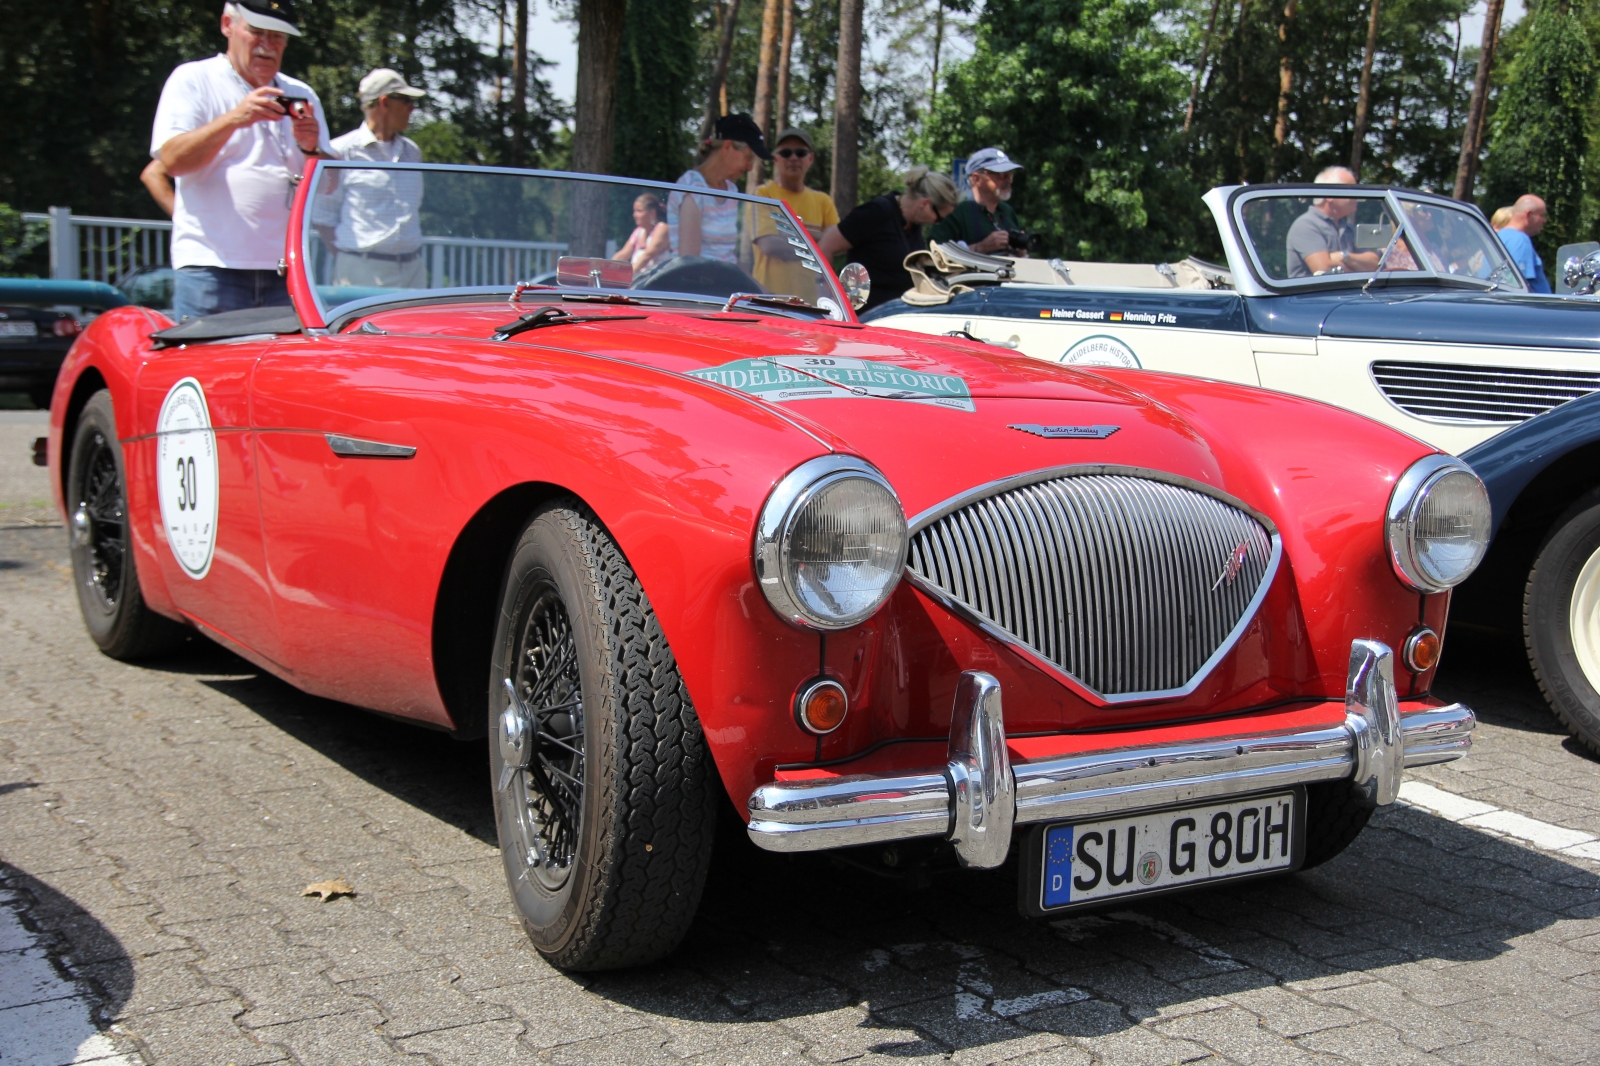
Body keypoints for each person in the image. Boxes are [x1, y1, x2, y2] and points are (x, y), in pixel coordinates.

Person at [151, 0, 334, 321]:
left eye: (278, 36)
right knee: (208, 370)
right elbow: (173, 162)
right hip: (212, 268)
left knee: (277, 372)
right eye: (257, 32)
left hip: (286, 271)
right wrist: (235, 118)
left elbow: (331, 185)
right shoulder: (193, 79)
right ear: (227, 25)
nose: (267, 45)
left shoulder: (301, 92)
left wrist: (310, 149)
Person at [311, 68, 427, 288]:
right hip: (361, 271)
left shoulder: (413, 152)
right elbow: (322, 216)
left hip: (413, 268)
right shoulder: (340, 152)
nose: (412, 108)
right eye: (406, 100)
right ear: (384, 102)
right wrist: (350, 260)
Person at [820, 166, 958, 310]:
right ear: (925, 204)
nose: (936, 223)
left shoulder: (913, 225)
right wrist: (831, 298)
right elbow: (825, 247)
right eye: (939, 219)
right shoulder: (877, 212)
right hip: (864, 315)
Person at [752, 129, 839, 300]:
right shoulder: (763, 194)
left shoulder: (823, 201)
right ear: (776, 159)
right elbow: (768, 245)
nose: (793, 158)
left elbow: (835, 245)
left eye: (800, 153)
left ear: (810, 158)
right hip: (767, 301)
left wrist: (785, 234)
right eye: (785, 153)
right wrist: (818, 237)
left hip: (813, 305)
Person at [669, 113, 767, 263]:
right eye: (748, 158)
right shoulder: (692, 187)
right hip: (697, 283)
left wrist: (757, 286)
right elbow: (689, 262)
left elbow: (729, 256)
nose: (750, 167)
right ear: (727, 147)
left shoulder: (732, 191)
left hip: (724, 281)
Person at [1284, 165, 1380, 278]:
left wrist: (1343, 256)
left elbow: (1374, 264)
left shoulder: (1348, 228)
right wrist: (1359, 267)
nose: (1357, 195)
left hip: (1347, 294)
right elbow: (1324, 271)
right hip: (1315, 295)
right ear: (1329, 195)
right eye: (1351, 190)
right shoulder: (1306, 225)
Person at [928, 147, 1025, 256]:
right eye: (1002, 175)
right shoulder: (954, 210)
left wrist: (1021, 253)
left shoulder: (1007, 211)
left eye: (1010, 175)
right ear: (976, 179)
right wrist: (980, 247)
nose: (1009, 180)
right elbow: (935, 255)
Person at [1497, 194, 1552, 293]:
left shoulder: (1501, 235)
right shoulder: (1519, 240)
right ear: (1528, 214)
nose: (1545, 220)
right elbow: (1517, 286)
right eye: (1542, 215)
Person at [613, 193, 670, 274]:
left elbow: (648, 255)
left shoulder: (662, 229)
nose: (634, 215)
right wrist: (607, 267)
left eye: (639, 211)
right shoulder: (638, 232)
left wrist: (628, 275)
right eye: (634, 211)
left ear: (652, 213)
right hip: (640, 281)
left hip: (656, 281)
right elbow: (623, 254)